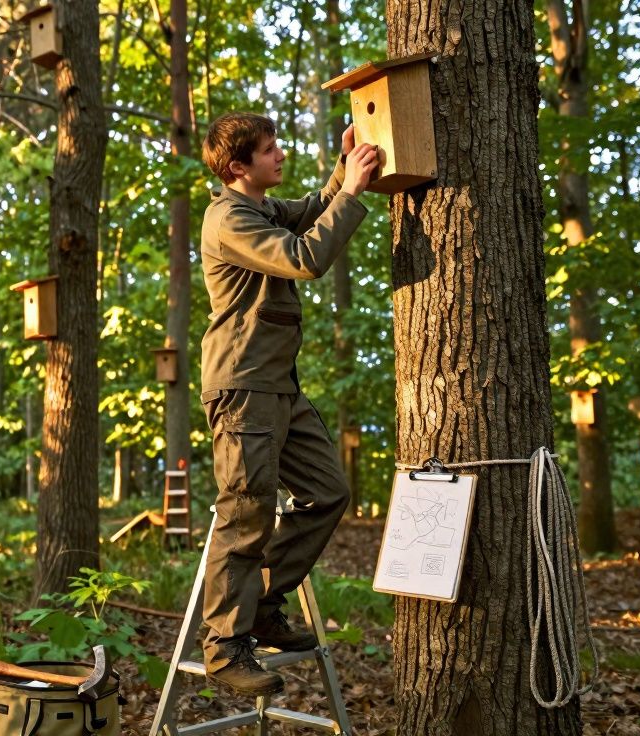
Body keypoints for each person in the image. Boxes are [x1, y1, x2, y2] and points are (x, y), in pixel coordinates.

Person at [197, 112, 378, 696]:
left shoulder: (260, 207)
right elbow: (304, 255)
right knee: (246, 511)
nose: (280, 154)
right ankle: (225, 646)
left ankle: (265, 605)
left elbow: (304, 212)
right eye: (269, 150)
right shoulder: (229, 218)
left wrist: (341, 174)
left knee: (329, 491)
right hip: (243, 386)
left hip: (280, 387)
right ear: (237, 168)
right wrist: (350, 194)